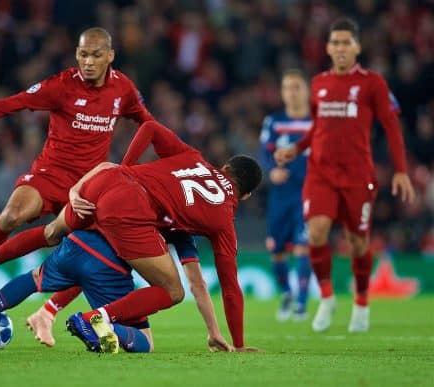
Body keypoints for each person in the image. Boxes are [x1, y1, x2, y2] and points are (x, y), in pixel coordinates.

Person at [0, 27, 153, 318]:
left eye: (96, 55)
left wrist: (150, 162)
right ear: (76, 54)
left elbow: (148, 125)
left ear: (110, 56)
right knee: (11, 215)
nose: (89, 62)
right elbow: (12, 104)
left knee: (80, 249)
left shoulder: (123, 90)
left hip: (88, 187)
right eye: (83, 54)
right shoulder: (61, 86)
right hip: (51, 174)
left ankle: (48, 313)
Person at [30, 120, 262, 353]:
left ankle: (48, 308)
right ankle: (95, 318)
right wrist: (238, 344)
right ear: (246, 196)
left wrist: (124, 168)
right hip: (131, 213)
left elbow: (149, 127)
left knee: (69, 242)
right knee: (171, 292)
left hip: (109, 184)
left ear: (225, 168)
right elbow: (226, 288)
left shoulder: (193, 161)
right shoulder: (219, 222)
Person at [275, 18, 415, 333]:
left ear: (357, 47)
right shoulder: (319, 83)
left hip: (357, 175)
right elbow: (318, 129)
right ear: (327, 47)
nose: (340, 48)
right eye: (335, 42)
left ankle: (362, 302)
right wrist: (296, 149)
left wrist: (402, 171)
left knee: (357, 242)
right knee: (316, 232)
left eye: (345, 42)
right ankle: (326, 297)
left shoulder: (372, 83)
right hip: (321, 172)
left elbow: (391, 127)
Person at [0, 229, 235, 353]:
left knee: (33, 278)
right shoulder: (183, 226)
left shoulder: (138, 186)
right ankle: (97, 323)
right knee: (145, 342)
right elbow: (195, 282)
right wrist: (214, 331)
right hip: (109, 264)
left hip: (77, 241)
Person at [259, 69, 312, 321]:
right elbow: (264, 155)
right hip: (280, 196)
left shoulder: (316, 122)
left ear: (306, 91)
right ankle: (287, 293)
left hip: (308, 193)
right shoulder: (274, 122)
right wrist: (271, 171)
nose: (292, 92)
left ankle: (301, 304)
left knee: (304, 246)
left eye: (297, 87)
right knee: (277, 251)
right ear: (282, 92)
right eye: (287, 87)